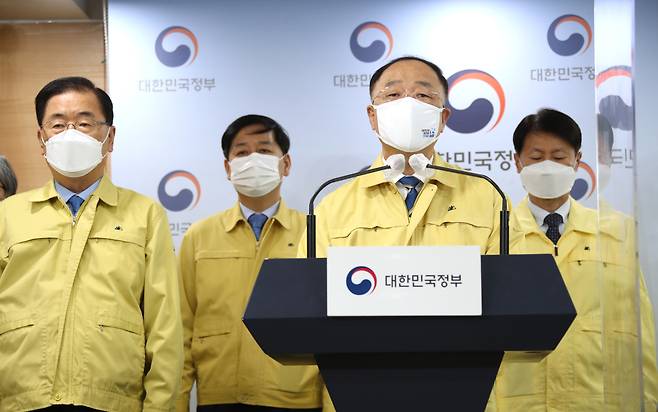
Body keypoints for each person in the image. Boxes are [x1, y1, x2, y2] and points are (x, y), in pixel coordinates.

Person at [300, 56, 506, 411]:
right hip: (359, 391)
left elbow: (509, 301)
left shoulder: (487, 195)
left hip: (464, 389)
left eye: (423, 96)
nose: (408, 104)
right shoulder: (331, 206)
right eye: (393, 95)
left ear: (443, 117)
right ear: (372, 115)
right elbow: (308, 308)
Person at [0, 77, 183, 411]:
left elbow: (165, 327)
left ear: (109, 136)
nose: (70, 133)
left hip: (113, 402)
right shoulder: (8, 215)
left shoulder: (144, 214)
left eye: (84, 123)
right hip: (21, 401)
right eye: (57, 124)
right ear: (41, 140)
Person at [487, 108, 658, 411]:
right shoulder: (495, 235)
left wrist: (649, 401)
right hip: (517, 401)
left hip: (597, 401)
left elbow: (639, 331)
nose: (548, 167)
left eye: (559, 156)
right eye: (537, 158)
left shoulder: (617, 232)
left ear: (577, 161)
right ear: (517, 162)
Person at [177, 115, 323, 412]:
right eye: (242, 152)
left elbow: (331, 330)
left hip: (297, 398)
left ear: (286, 164)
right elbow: (181, 328)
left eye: (265, 151)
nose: (253, 159)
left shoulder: (315, 232)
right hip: (220, 396)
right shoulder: (199, 236)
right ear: (227, 167)